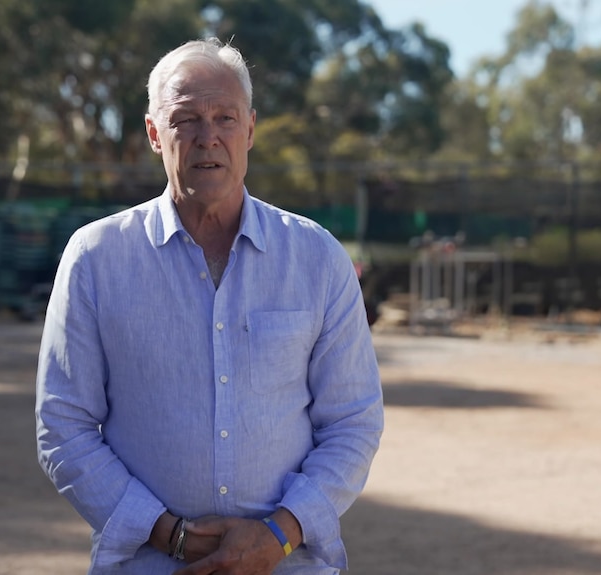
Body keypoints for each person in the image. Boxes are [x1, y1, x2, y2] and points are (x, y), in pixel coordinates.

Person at [35, 37, 384, 575]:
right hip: (149, 564)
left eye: (225, 117)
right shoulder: (96, 259)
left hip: (288, 563)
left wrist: (278, 534)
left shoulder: (316, 258)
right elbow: (63, 425)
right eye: (185, 120)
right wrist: (172, 537)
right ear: (154, 134)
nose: (208, 138)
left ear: (250, 130)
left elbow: (353, 421)